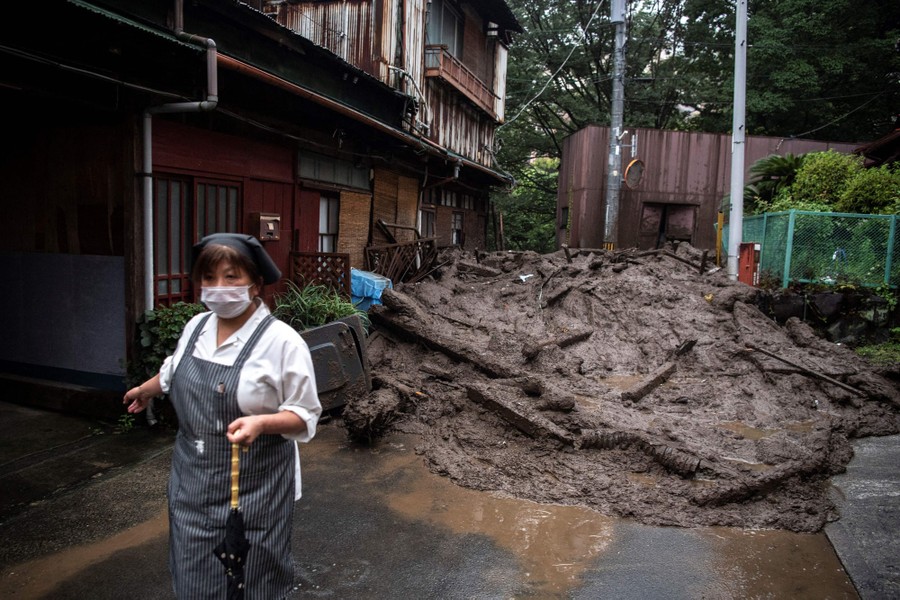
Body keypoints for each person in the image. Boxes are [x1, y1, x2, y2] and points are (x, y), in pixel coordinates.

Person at [124, 233, 322, 599]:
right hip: (191, 485)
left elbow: (305, 414)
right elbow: (172, 370)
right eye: (209, 278)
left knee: (251, 579)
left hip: (255, 491)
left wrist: (262, 423)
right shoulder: (196, 327)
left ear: (255, 283)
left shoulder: (281, 341)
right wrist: (145, 389)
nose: (218, 288)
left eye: (231, 277)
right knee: (194, 575)